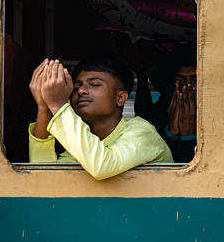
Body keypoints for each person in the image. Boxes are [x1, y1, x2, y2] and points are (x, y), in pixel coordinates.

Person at [28, 56, 173, 180]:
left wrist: (58, 105)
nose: (82, 91)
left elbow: (102, 166)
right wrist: (44, 108)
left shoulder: (142, 132)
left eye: (95, 84)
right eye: (77, 87)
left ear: (121, 98)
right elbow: (44, 178)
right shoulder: (79, 148)